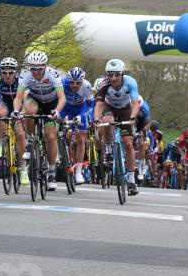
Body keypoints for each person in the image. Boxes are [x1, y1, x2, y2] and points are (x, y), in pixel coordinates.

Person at [15, 50, 67, 192]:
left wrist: (57, 111)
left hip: (51, 103)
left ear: (45, 66)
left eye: (39, 68)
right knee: (29, 110)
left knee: (50, 136)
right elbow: (19, 97)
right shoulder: (25, 75)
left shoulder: (52, 74)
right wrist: (16, 111)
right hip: (35, 100)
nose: (36, 71)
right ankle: (31, 139)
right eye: (33, 68)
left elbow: (62, 97)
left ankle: (51, 172)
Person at [92, 58, 141, 196]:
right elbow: (99, 105)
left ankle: (132, 180)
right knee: (106, 121)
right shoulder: (104, 85)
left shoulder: (130, 82)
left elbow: (136, 103)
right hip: (110, 108)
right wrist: (96, 118)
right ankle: (108, 150)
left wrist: (133, 116)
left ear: (122, 74)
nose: (113, 78)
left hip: (126, 110)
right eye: (110, 75)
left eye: (116, 74)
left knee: (128, 143)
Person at [60, 67, 94, 185]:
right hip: (65, 108)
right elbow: (57, 100)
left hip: (80, 110)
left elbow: (91, 105)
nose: (74, 85)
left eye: (77, 83)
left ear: (82, 81)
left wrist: (83, 116)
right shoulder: (62, 83)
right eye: (72, 83)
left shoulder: (87, 86)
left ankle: (78, 172)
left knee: (81, 139)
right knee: (56, 129)